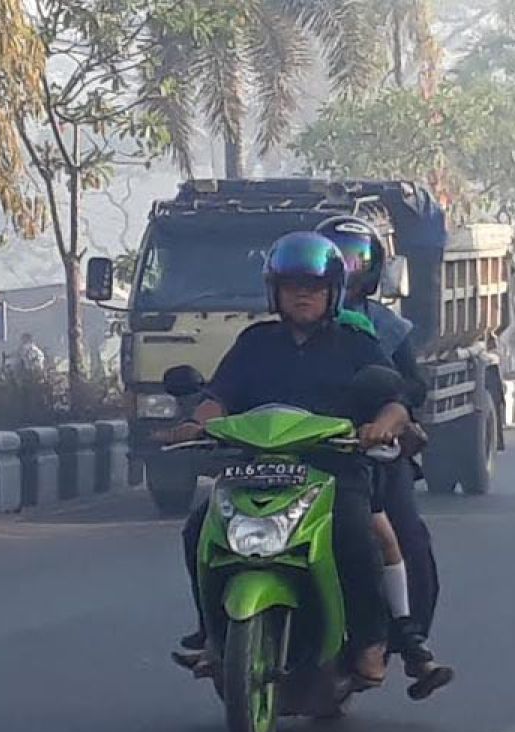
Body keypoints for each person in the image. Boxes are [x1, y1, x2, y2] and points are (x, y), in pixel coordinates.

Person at [160, 231, 408, 687]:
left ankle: (372, 641)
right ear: (275, 291)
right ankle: (214, 633)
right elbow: (219, 397)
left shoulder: (354, 342)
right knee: (199, 528)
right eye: (292, 286)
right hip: (256, 469)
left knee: (353, 533)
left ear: (333, 292)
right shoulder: (255, 343)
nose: (303, 295)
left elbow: (393, 400)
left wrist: (382, 425)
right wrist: (198, 423)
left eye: (313, 287)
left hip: (334, 470)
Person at [316, 215, 453, 698]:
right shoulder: (273, 331)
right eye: (335, 260)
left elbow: (409, 384)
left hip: (373, 449)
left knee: (405, 535)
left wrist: (390, 419)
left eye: (356, 260)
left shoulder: (383, 327)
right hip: (306, 450)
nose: (346, 271)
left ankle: (409, 638)